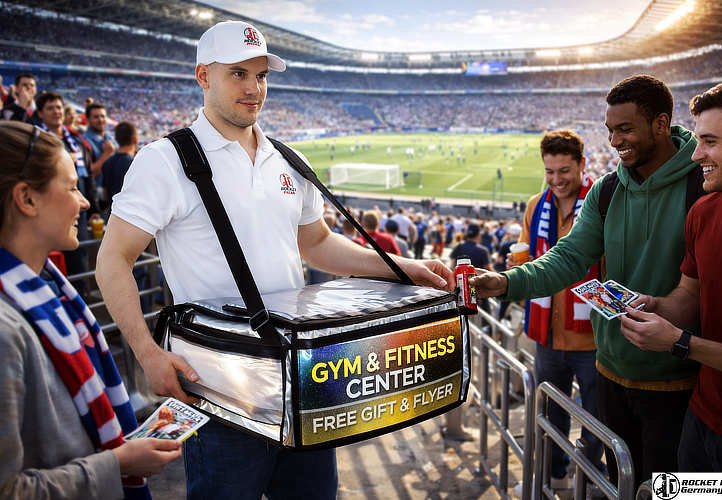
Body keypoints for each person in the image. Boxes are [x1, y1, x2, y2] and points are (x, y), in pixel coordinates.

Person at [95, 21, 454, 500]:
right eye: (238, 74)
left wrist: (401, 265)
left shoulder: (288, 159)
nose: (254, 88)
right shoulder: (164, 160)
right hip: (222, 390)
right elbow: (112, 260)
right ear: (203, 77)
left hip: (301, 381)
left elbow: (319, 244)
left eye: (262, 75)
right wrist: (147, 353)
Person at [473, 75, 701, 487]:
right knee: (620, 484)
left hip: (679, 378)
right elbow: (570, 257)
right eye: (610, 130)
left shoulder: (702, 185)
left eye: (625, 128)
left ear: (662, 124)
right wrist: (507, 282)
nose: (614, 141)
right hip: (611, 366)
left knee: (672, 488)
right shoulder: (608, 191)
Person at [0, 121, 181, 499]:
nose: (84, 201)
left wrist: (133, 440)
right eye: (70, 187)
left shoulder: (48, 290)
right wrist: (119, 464)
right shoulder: (7, 330)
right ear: (27, 199)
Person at [619, 77, 722, 472]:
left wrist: (678, 343)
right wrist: (659, 307)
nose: (696, 156)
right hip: (700, 416)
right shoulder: (704, 212)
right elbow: (689, 295)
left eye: (710, 142)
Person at [515, 130, 603, 489]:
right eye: (549, 172)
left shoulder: (602, 201)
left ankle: (592, 481)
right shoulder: (537, 204)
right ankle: (554, 475)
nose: (556, 180)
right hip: (546, 332)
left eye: (564, 170)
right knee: (549, 413)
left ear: (582, 164)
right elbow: (530, 256)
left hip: (594, 336)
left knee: (597, 419)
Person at [36, 91, 97, 294]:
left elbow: (88, 178)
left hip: (80, 211)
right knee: (54, 267)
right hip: (50, 213)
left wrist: (94, 207)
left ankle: (80, 301)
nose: (56, 112)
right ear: (41, 113)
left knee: (79, 260)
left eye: (59, 107)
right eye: (50, 108)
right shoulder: (37, 142)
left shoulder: (77, 140)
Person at [82, 102, 116, 179]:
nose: (100, 120)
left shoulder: (111, 139)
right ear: (87, 119)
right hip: (96, 189)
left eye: (103, 116)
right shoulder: (83, 142)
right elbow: (88, 174)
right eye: (96, 117)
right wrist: (107, 154)